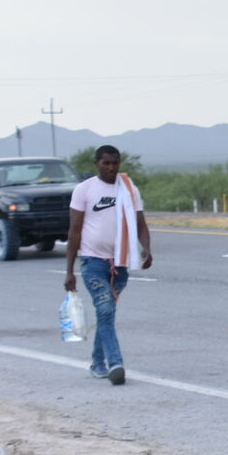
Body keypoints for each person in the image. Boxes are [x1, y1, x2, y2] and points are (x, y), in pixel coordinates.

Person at [64, 145, 153, 385]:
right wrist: (69, 271)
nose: (111, 168)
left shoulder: (129, 189)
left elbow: (140, 223)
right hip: (93, 261)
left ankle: (96, 363)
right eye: (106, 163)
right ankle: (115, 363)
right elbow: (74, 232)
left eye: (115, 163)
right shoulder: (84, 190)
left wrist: (146, 248)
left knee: (106, 314)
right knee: (105, 310)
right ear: (97, 164)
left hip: (120, 263)